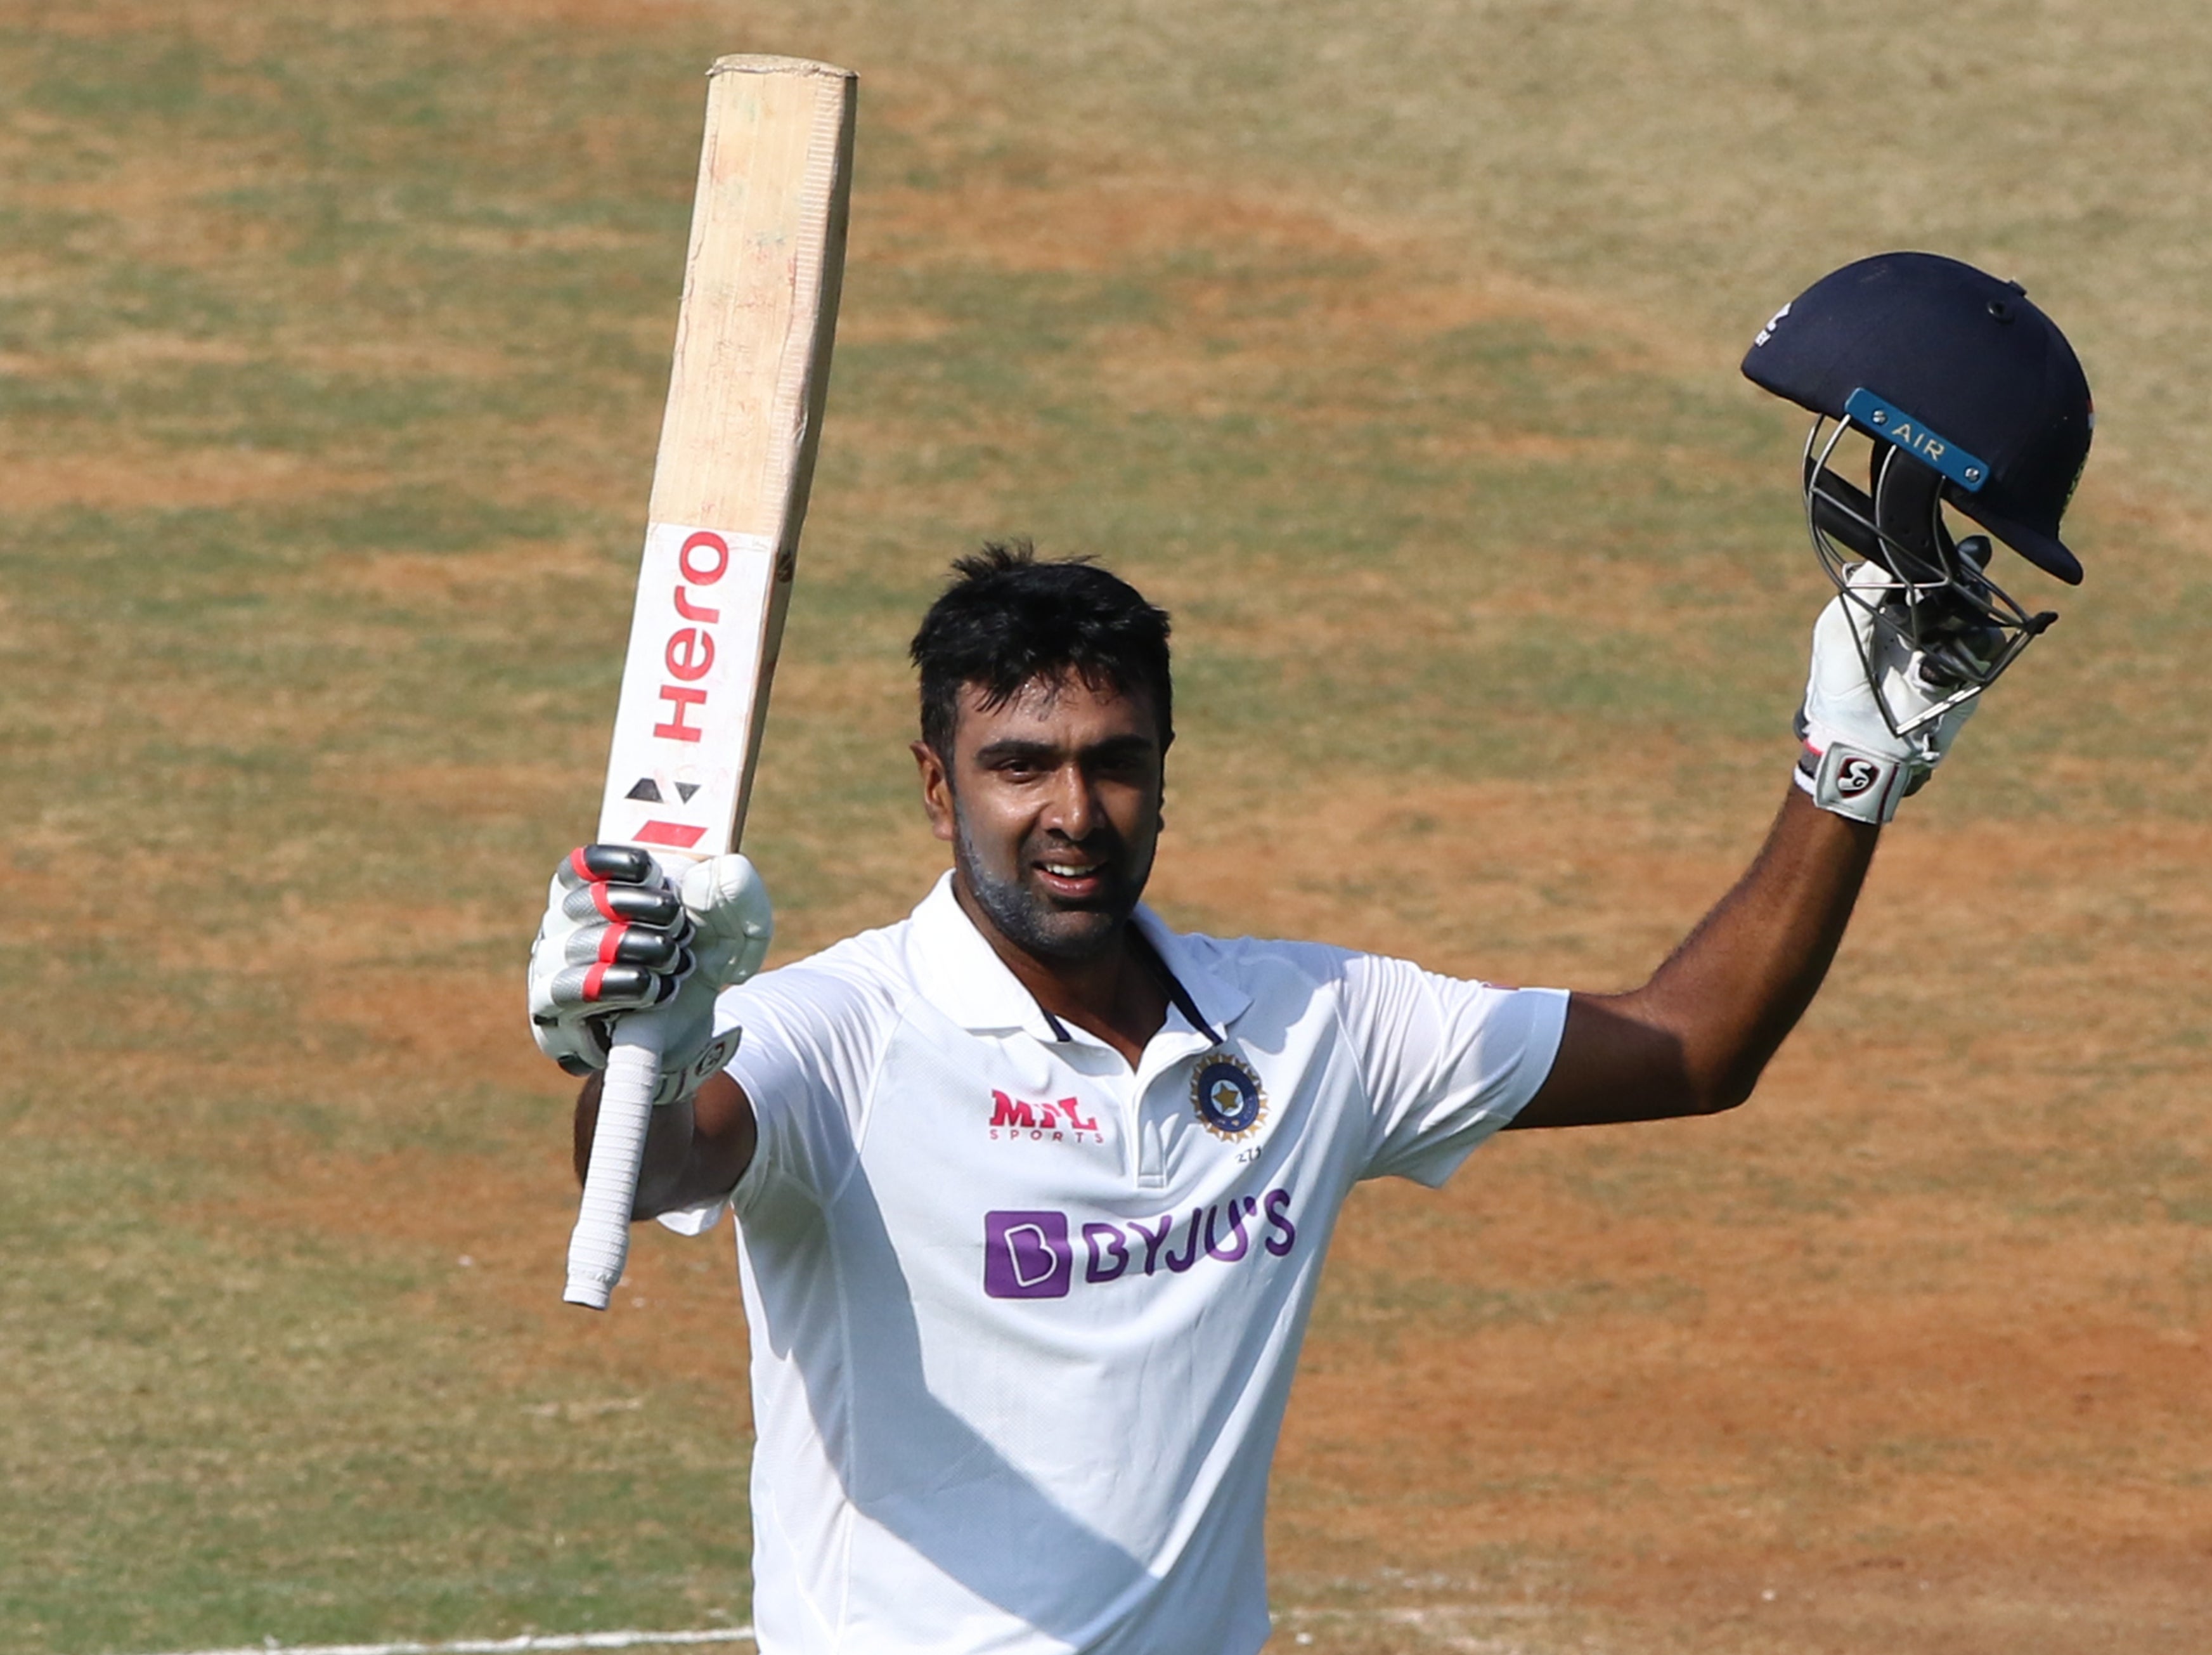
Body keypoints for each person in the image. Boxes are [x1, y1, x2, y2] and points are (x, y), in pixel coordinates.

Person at [526, 254, 2092, 1655]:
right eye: (1019, 765)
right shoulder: (836, 1031)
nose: (1071, 812)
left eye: (1113, 760)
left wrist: (1842, 775)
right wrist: (630, 1041)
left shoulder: (1310, 1030)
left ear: (1165, 765)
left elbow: (1690, 1046)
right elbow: (658, 1166)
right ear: (938, 783)